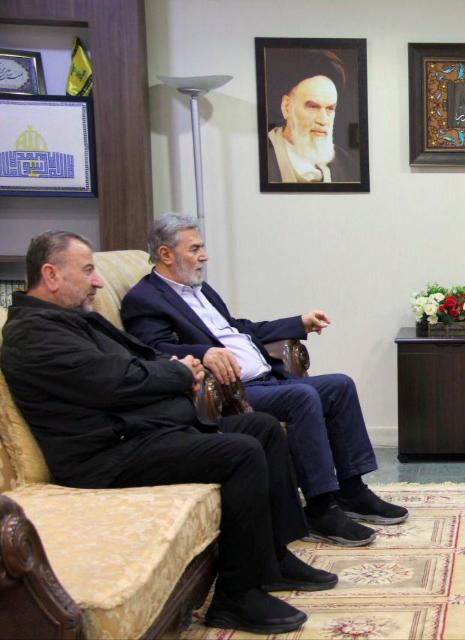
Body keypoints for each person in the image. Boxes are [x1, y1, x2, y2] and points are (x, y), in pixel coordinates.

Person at [0, 231, 337, 635]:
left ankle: (274, 558)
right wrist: (180, 372)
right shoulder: (33, 335)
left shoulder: (70, 319)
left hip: (137, 434)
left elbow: (137, 357)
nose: (98, 281)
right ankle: (236, 597)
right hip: (106, 457)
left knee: (261, 427)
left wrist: (180, 367)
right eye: (88, 270)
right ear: (51, 275)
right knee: (241, 453)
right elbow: (116, 382)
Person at [121, 213, 407, 548]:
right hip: (232, 392)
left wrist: (298, 322)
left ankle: (352, 490)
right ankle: (320, 508)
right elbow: (154, 350)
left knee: (340, 385)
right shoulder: (145, 299)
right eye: (195, 248)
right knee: (302, 397)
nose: (204, 256)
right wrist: (204, 352)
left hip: (267, 379)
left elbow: (240, 329)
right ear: (166, 254)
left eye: (203, 247)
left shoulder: (201, 290)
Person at [265, 49, 360, 183]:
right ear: (286, 107)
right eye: (313, 107)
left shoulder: (347, 165)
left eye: (330, 109)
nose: (323, 120)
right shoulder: (262, 158)